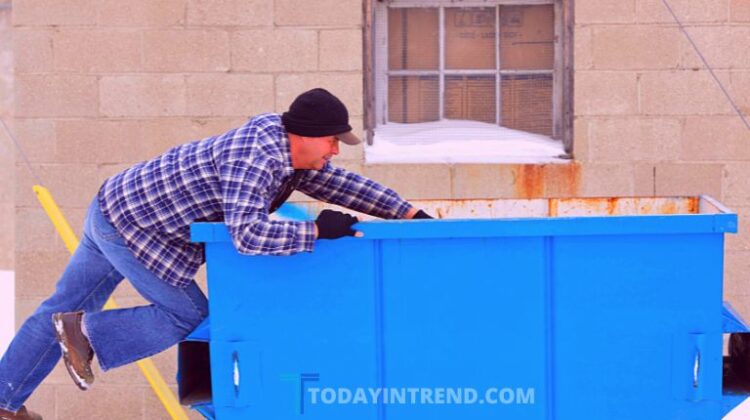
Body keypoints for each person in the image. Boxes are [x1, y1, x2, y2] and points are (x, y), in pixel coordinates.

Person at [0, 88, 432, 419]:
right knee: (185, 315)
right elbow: (247, 235)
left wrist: (409, 212)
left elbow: (342, 185)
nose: (336, 150)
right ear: (304, 135)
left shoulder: (289, 153)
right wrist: (316, 230)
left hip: (114, 207)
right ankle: (88, 334)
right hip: (133, 227)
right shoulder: (256, 157)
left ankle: (4, 400)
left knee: (60, 308)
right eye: (332, 141)